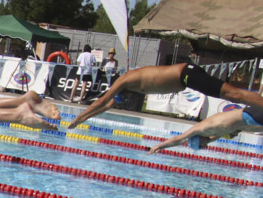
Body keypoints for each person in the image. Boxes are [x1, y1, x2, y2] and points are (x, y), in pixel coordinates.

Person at [68, 61, 263, 130]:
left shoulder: (125, 80)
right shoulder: (131, 85)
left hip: (186, 75)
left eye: (121, 98)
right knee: (232, 95)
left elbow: (102, 100)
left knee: (233, 94)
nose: (124, 100)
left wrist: (77, 117)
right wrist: (83, 120)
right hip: (187, 77)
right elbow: (106, 106)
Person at [147, 104, 263, 154]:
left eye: (201, 146)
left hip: (249, 115)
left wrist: (159, 146)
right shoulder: (211, 136)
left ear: (198, 140)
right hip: (251, 119)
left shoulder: (200, 129)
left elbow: (179, 139)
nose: (206, 146)